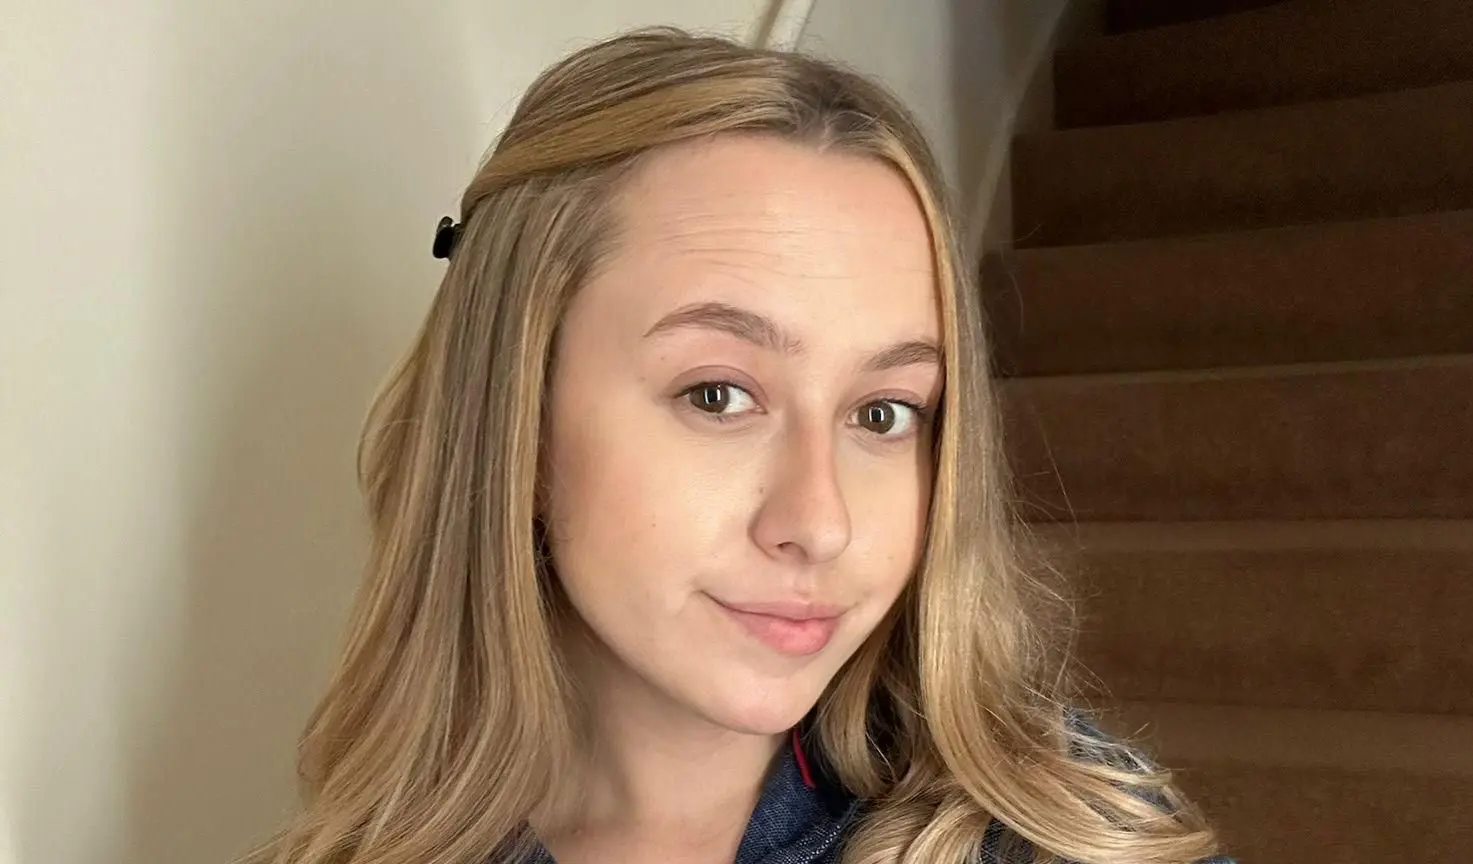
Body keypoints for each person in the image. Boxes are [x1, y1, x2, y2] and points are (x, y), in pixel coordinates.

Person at [241, 28, 1232, 864]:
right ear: (517, 421)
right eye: (718, 395)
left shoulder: (1050, 840)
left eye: (884, 412)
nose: (821, 523)